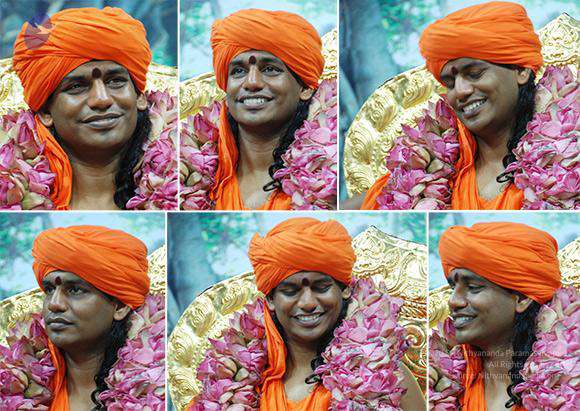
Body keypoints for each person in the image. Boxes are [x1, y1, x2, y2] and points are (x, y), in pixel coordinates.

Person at [357, 1, 572, 210]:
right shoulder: (422, 172)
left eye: (474, 74)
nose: (460, 91)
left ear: (521, 70)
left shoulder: (571, 160)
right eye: (449, 83)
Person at [192, 218, 425, 409]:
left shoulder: (385, 376)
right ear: (270, 300)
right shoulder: (235, 381)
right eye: (290, 291)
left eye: (321, 287)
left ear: (344, 289)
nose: (307, 303)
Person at [11, 7, 154, 210]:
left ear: (139, 97)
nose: (101, 100)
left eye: (115, 81)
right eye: (77, 86)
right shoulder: (10, 192)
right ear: (45, 112)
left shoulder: (183, 186)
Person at [434, 222, 567, 410]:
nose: (453, 301)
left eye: (473, 287)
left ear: (521, 299)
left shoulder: (568, 379)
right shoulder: (439, 375)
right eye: (453, 288)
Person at [208, 9, 327, 210]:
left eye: (270, 69)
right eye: (238, 71)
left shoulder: (327, 179)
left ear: (305, 88)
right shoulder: (190, 178)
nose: (252, 82)